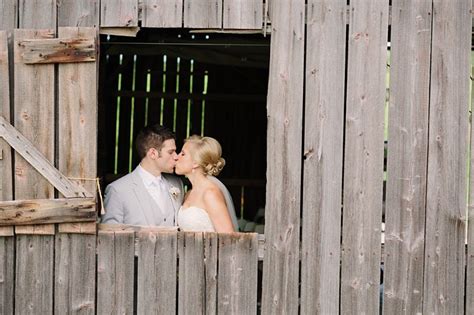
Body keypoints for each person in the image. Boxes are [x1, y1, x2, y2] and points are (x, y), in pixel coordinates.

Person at [101, 125, 184, 226]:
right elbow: (109, 237)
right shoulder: (117, 190)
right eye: (171, 152)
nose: (176, 157)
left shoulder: (177, 184)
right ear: (153, 153)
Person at [175, 135, 238, 233]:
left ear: (195, 162)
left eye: (182, 154)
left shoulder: (210, 194)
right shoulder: (189, 193)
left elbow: (228, 238)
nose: (176, 157)